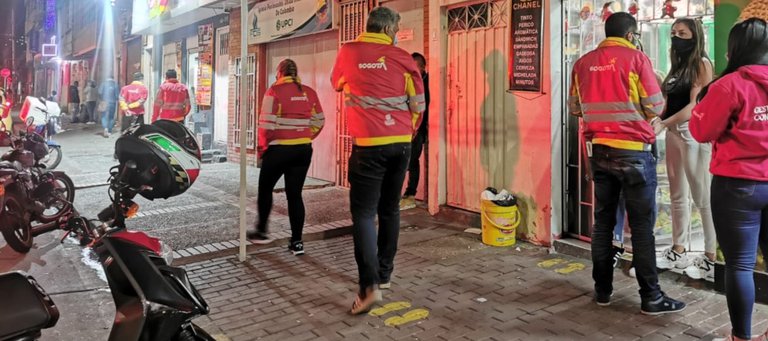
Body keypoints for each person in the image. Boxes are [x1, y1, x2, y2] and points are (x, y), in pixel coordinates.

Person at [569, 12, 685, 315]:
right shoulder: (636, 60)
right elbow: (657, 106)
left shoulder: (582, 64)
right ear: (632, 34)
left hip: (599, 152)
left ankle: (602, 291)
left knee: (603, 223)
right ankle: (651, 297)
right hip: (634, 153)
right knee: (643, 228)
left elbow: (574, 108)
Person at [331, 6, 426, 315]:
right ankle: (384, 275)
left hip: (368, 145)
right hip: (400, 145)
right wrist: (407, 132)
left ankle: (368, 287)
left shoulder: (349, 51)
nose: (396, 35)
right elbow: (418, 104)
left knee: (363, 214)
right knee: (389, 210)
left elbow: (337, 83)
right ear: (388, 31)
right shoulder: (402, 58)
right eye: (396, 30)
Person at [690, 18, 768, 341]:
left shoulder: (729, 85)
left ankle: (741, 337)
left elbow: (701, 131)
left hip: (737, 186)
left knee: (739, 265)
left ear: (733, 49)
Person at [652, 18, 715, 280]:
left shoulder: (702, 64)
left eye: (683, 33)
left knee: (702, 196)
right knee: (677, 194)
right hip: (674, 133)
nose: (676, 37)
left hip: (693, 134)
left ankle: (711, 256)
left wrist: (664, 122)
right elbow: (668, 101)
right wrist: (658, 119)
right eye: (674, 33)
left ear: (695, 36)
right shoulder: (676, 67)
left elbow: (695, 106)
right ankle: (679, 249)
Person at [246, 59, 325, 256]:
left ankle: (261, 231)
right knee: (295, 195)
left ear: (279, 73)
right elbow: (320, 121)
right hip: (303, 150)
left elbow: (265, 125)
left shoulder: (274, 92)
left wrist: (263, 148)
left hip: (278, 151)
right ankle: (297, 242)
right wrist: (306, 136)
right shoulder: (309, 92)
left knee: (265, 189)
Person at [399, 52, 430, 210]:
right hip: (408, 127)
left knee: (412, 161)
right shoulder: (409, 80)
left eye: (414, 66)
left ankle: (410, 195)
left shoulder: (428, 82)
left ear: (423, 67)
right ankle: (405, 195)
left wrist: (417, 128)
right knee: (406, 162)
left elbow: (423, 108)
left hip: (419, 129)